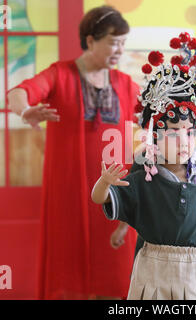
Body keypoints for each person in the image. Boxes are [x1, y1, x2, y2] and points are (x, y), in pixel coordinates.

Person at [7, 5, 139, 300]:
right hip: (69, 192)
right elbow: (18, 92)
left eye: (123, 43)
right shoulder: (60, 74)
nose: (119, 50)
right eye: (113, 42)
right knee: (66, 273)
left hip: (115, 193)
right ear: (90, 40)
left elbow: (152, 118)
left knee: (117, 276)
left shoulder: (126, 85)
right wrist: (27, 110)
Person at [92, 32, 196, 300]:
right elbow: (122, 199)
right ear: (154, 136)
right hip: (154, 261)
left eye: (191, 133)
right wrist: (107, 189)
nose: (184, 141)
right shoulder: (143, 169)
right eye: (173, 133)